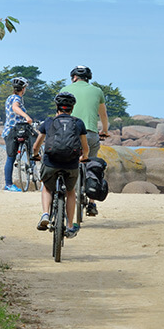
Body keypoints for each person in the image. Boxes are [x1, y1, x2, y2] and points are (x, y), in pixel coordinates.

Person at [32, 92, 89, 238]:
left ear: (57, 106)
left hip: (51, 162)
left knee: (47, 187)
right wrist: (84, 157)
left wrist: (36, 155)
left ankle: (45, 214)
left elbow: (36, 145)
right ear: (72, 108)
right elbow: (85, 147)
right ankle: (70, 225)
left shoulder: (49, 122)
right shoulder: (78, 123)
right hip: (71, 164)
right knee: (70, 191)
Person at [62, 65, 109, 216]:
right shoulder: (97, 91)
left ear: (74, 77)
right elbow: (103, 115)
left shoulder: (65, 90)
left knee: (67, 162)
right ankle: (91, 203)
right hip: (90, 134)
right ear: (88, 78)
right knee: (91, 164)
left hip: (68, 134)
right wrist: (105, 131)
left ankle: (63, 191)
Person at [1, 76, 34, 192]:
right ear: (23, 88)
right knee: (11, 158)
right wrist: (26, 116)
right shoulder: (16, 99)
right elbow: (15, 108)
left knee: (11, 157)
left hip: (10, 131)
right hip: (14, 131)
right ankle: (9, 184)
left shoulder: (9, 97)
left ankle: (9, 184)